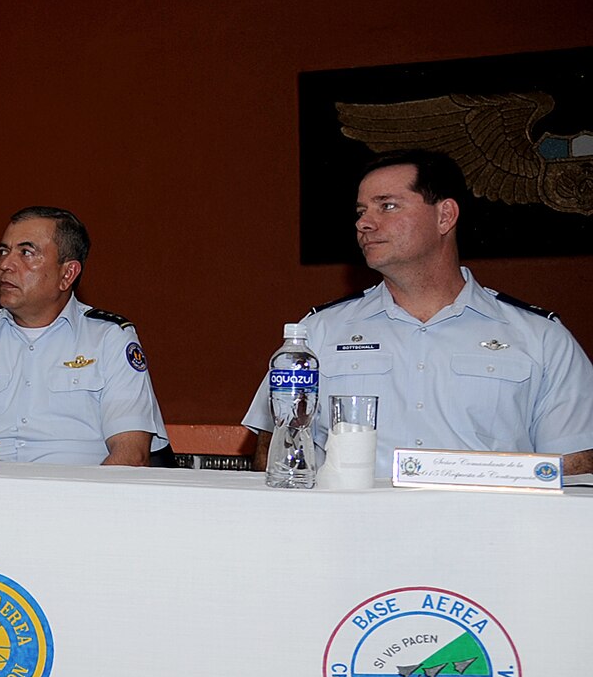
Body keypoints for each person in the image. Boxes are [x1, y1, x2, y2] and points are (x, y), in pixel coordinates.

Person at [244, 149, 593, 474]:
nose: (364, 223)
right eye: (361, 211)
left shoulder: (540, 338)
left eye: (388, 206)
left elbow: (573, 467)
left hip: (488, 533)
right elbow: (272, 456)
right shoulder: (318, 333)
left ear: (445, 216)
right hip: (350, 532)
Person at [0, 206, 167, 464]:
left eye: (26, 253)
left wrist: (78, 504)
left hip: (78, 497)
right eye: (3, 251)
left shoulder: (109, 339)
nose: (5, 265)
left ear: (67, 274)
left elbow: (130, 454)